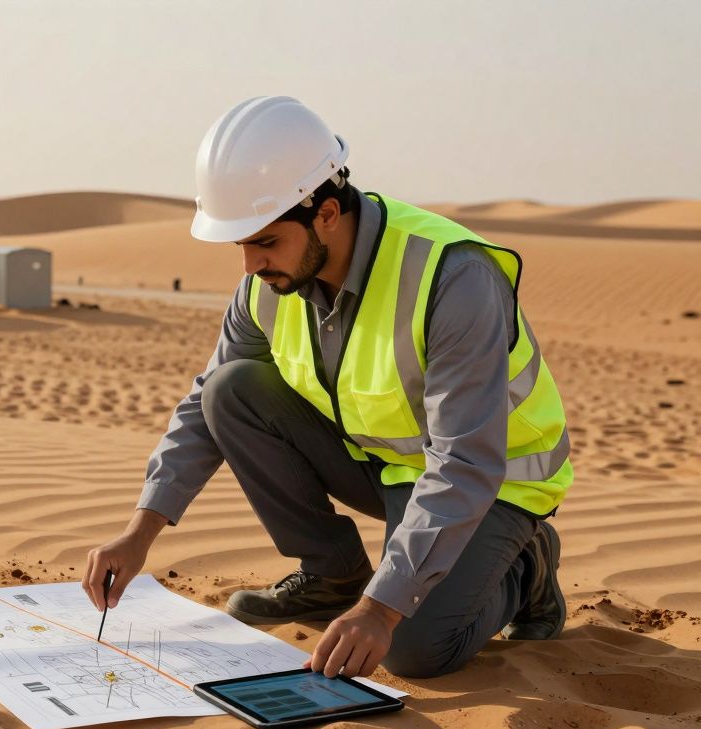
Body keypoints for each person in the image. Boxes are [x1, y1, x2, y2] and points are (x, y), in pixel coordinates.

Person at [82, 96, 572, 680]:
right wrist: (141, 531)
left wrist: (379, 610)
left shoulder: (452, 277)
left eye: (264, 241)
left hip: (494, 480)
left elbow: (465, 462)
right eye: (240, 244)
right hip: (389, 464)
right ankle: (331, 574)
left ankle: (525, 568)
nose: (249, 265)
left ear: (327, 214)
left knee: (412, 648)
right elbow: (204, 405)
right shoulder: (268, 283)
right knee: (229, 391)